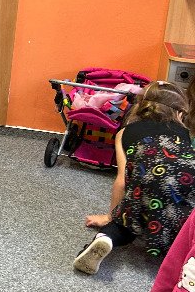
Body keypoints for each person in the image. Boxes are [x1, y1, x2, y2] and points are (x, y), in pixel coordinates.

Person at [74, 81, 195, 274]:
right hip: (188, 180)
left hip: (147, 183)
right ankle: (183, 254)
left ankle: (105, 238)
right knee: (186, 227)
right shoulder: (184, 133)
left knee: (127, 223)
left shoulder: (124, 133)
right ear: (180, 113)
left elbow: (122, 180)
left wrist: (111, 217)